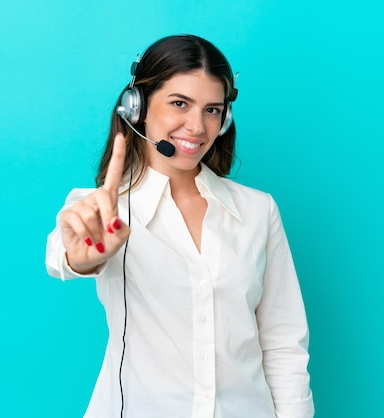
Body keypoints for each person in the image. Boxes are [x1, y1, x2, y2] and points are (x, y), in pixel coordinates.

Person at [45, 34, 314, 418]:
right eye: (179, 104)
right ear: (136, 108)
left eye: (212, 110)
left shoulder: (258, 211)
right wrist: (83, 256)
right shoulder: (101, 209)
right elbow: (62, 255)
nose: (197, 127)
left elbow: (283, 343)